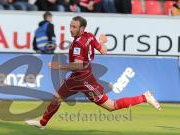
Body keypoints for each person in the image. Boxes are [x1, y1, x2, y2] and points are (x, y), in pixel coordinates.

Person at [26, 16, 161, 129]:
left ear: (82, 29)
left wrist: (59, 66)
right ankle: (43, 122)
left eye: (74, 27)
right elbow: (104, 51)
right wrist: (101, 41)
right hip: (78, 77)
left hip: (84, 79)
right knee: (57, 97)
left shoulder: (78, 44)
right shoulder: (90, 36)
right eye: (70, 26)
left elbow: (78, 65)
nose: (71, 29)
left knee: (111, 106)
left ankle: (144, 97)